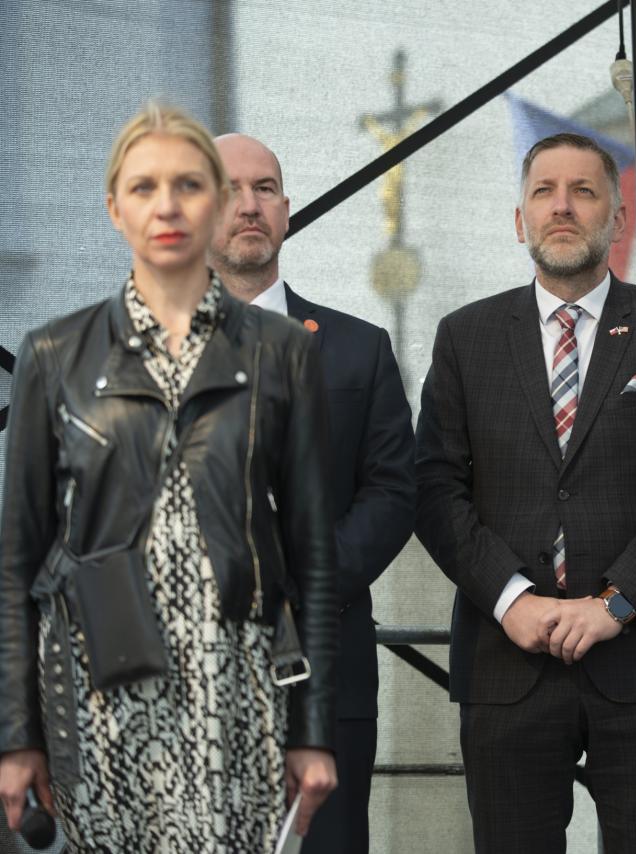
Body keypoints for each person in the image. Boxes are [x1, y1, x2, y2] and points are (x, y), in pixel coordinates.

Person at [0, 103, 337, 852]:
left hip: (239, 695)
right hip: (96, 696)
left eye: (188, 184)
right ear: (115, 208)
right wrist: (17, 734)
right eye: (144, 186)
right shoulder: (53, 354)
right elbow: (17, 560)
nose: (167, 205)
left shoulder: (282, 351)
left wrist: (313, 729)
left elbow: (312, 556)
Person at [415, 132, 636, 853]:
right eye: (544, 192)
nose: (562, 207)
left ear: (617, 219)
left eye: (583, 191)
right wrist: (511, 600)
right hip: (506, 661)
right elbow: (433, 488)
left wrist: (614, 603)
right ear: (519, 219)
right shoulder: (465, 338)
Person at [209, 132, 416, 854]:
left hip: (325, 672)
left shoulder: (359, 348)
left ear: (287, 210)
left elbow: (393, 492)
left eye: (264, 188)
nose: (249, 204)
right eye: (229, 189)